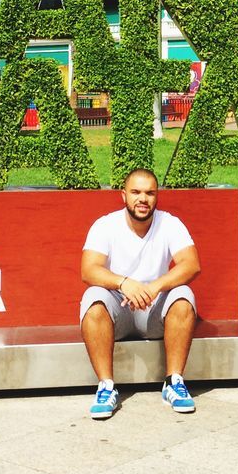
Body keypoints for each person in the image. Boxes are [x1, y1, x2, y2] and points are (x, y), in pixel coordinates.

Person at [79, 168, 200, 419]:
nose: (142, 199)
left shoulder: (170, 223)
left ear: (157, 197)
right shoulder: (106, 225)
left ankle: (173, 382)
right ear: (123, 195)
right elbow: (88, 270)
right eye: (135, 192)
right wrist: (124, 283)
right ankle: (106, 387)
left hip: (154, 313)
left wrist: (155, 286)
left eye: (149, 193)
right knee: (93, 298)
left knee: (183, 295)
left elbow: (191, 264)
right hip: (119, 311)